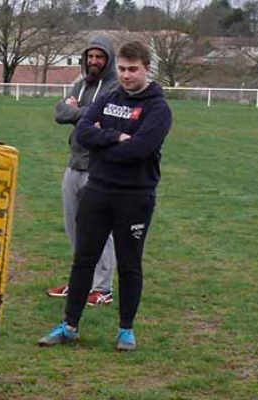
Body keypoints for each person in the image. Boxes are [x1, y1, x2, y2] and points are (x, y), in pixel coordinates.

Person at [38, 41, 172, 351]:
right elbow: (82, 132)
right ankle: (69, 326)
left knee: (129, 265)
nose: (126, 76)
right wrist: (114, 136)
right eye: (123, 69)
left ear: (146, 69)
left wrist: (105, 142)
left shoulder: (158, 108)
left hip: (135, 196)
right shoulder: (110, 97)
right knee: (83, 259)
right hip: (98, 189)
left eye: (133, 70)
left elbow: (139, 149)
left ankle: (126, 330)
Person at [47, 36, 119, 307]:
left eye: (99, 57)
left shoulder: (114, 87)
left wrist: (80, 111)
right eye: (90, 56)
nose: (94, 61)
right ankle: (81, 281)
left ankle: (103, 288)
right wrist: (85, 113)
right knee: (74, 227)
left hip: (99, 168)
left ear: (108, 59)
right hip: (74, 164)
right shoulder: (80, 84)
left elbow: (105, 117)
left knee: (99, 228)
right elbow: (59, 113)